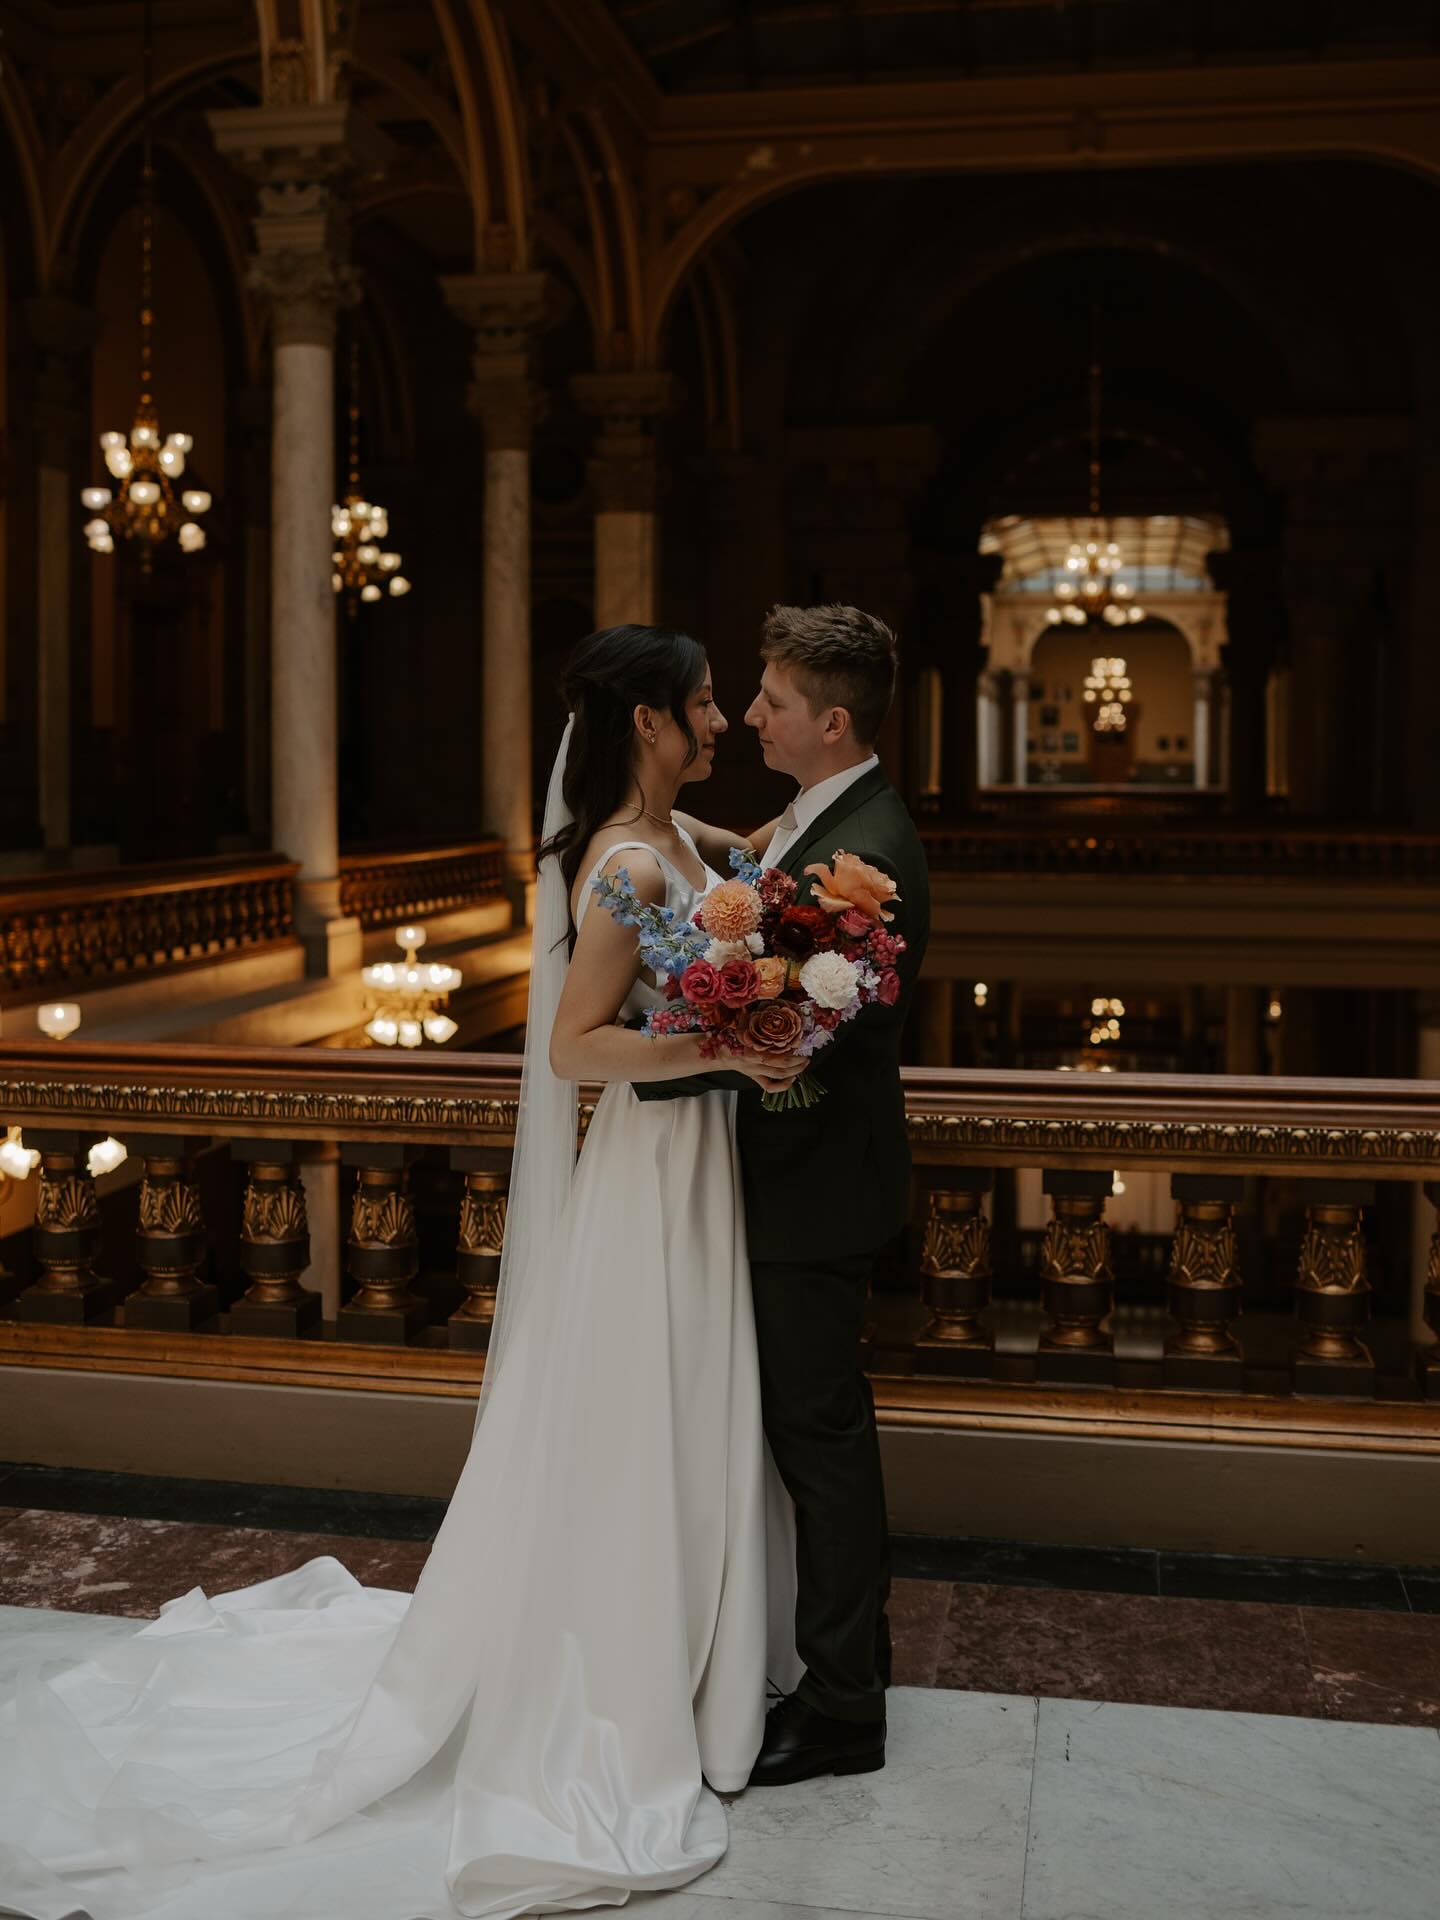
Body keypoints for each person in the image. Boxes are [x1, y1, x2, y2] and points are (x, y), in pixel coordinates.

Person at [0, 625, 805, 1920]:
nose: (721, 723)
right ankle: (630, 1677)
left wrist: (806, 922)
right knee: (639, 1403)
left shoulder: (674, 836)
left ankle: (693, 1663)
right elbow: (574, 1047)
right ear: (650, 721)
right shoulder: (622, 867)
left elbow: (752, 855)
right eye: (706, 705)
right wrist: (724, 1046)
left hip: (692, 1160)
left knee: (680, 1392)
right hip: (652, 1166)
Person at [637, 603, 930, 1787]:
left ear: (834, 722)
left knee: (821, 1446)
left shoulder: (867, 859)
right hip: (793, 1184)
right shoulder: (820, 818)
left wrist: (662, 1058)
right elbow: (744, 864)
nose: (751, 713)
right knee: (813, 1439)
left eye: (773, 699)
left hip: (812, 1195)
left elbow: (794, 1030)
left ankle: (847, 1705)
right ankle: (847, 1657)